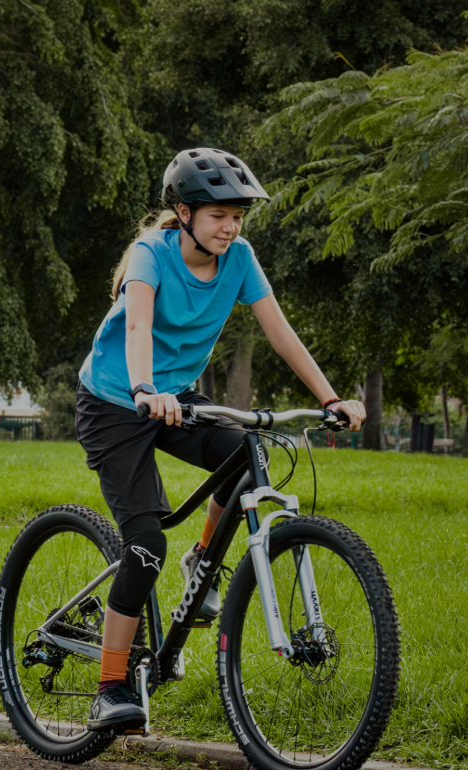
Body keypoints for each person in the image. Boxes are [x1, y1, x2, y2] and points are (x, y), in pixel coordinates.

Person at [77, 147, 367, 734]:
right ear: (183, 212)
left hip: (173, 398)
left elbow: (279, 331)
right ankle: (109, 688)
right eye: (219, 216)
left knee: (248, 452)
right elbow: (137, 326)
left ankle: (202, 565)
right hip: (115, 401)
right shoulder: (150, 254)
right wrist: (143, 387)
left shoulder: (239, 259)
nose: (231, 227)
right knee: (144, 544)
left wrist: (330, 398)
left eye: (237, 216)